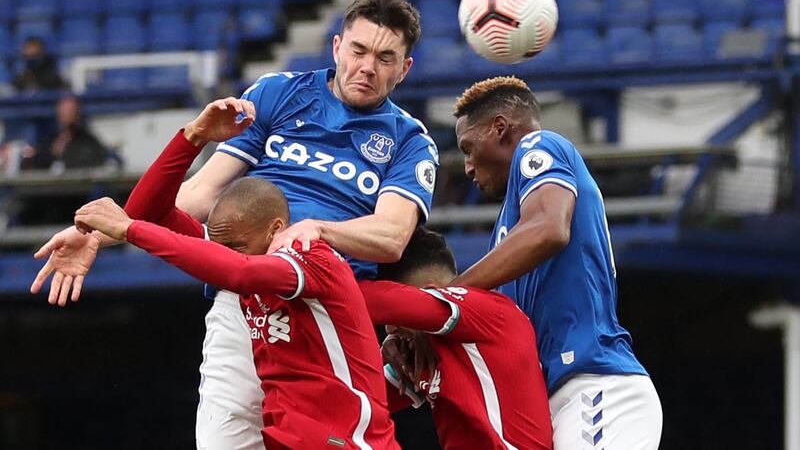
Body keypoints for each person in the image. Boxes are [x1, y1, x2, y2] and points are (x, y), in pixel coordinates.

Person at [31, 0, 438, 450]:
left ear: (405, 69)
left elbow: (390, 237)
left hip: (323, 313)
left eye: (386, 58)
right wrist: (101, 233)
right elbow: (197, 197)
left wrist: (318, 229)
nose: (367, 67)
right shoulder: (279, 93)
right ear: (337, 46)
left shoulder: (410, 140)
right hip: (244, 301)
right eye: (359, 50)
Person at [72, 97, 400, 449]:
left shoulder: (309, 255)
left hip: (348, 439)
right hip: (295, 435)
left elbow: (238, 272)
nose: (225, 254)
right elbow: (149, 211)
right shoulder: (245, 251)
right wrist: (193, 137)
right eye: (221, 245)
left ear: (276, 229)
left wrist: (129, 231)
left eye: (237, 246)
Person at [449, 76, 662, 449]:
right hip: (559, 402)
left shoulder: (540, 145)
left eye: (469, 147)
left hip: (596, 385)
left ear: (500, 128)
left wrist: (452, 294)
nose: (467, 166)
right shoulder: (507, 233)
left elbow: (550, 229)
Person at [359, 227, 553, 449]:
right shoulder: (424, 346)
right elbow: (356, 399)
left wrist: (324, 255)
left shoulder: (487, 309)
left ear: (431, 293)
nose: (390, 329)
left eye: (397, 317)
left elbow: (367, 299)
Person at [20, 94, 110, 171]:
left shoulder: (89, 143)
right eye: (64, 113)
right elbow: (34, 165)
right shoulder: (49, 141)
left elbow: (96, 164)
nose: (67, 117)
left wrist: (66, 154)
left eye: (71, 112)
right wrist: (53, 154)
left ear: (78, 115)